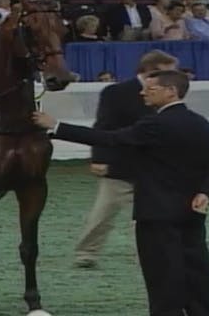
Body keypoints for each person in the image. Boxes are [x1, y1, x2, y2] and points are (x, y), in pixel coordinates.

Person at [33, 69, 209, 316]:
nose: (142, 93)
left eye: (150, 89)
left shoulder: (154, 124)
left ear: (171, 91)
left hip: (156, 214)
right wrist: (206, 192)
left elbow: (109, 138)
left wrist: (56, 126)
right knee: (198, 271)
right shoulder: (201, 123)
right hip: (192, 213)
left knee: (162, 277)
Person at [72, 50, 179, 268]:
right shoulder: (116, 93)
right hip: (121, 165)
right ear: (151, 70)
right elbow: (103, 126)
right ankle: (86, 253)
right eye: (168, 71)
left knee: (148, 217)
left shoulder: (170, 93)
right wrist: (99, 158)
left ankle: (149, 256)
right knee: (102, 215)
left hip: (153, 167)